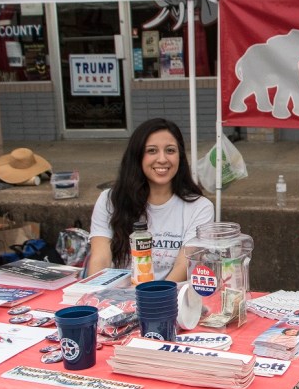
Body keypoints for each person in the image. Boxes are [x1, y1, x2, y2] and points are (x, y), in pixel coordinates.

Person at [88, 118, 214, 283]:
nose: (162, 159)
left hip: (168, 295)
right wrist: (93, 293)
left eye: (170, 150)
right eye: (152, 151)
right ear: (137, 156)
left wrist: (154, 296)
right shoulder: (110, 200)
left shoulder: (200, 207)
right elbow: (100, 260)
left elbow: (183, 266)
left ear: (180, 157)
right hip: (117, 295)